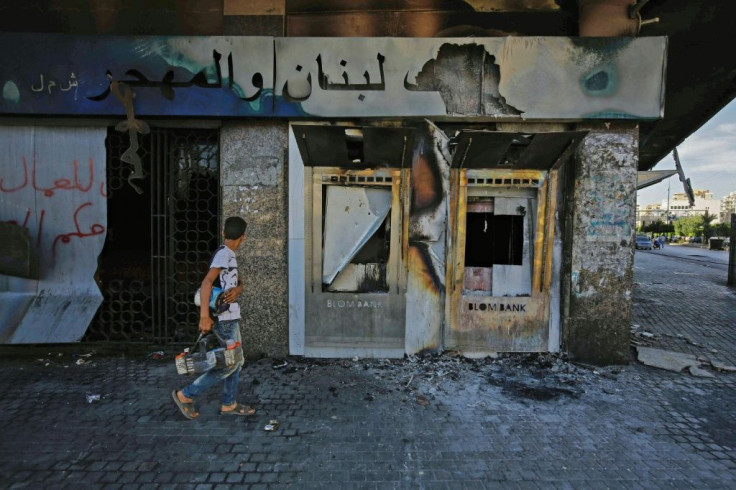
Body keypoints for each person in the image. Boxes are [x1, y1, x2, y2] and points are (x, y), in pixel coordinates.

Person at [172, 217, 254, 420]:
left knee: (237, 360)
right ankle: (186, 395)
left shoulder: (229, 255)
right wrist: (204, 317)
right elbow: (207, 283)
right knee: (231, 363)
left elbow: (237, 282)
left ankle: (229, 403)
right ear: (243, 237)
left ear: (223, 233)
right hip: (224, 319)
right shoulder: (224, 254)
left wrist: (238, 289)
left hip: (231, 317)